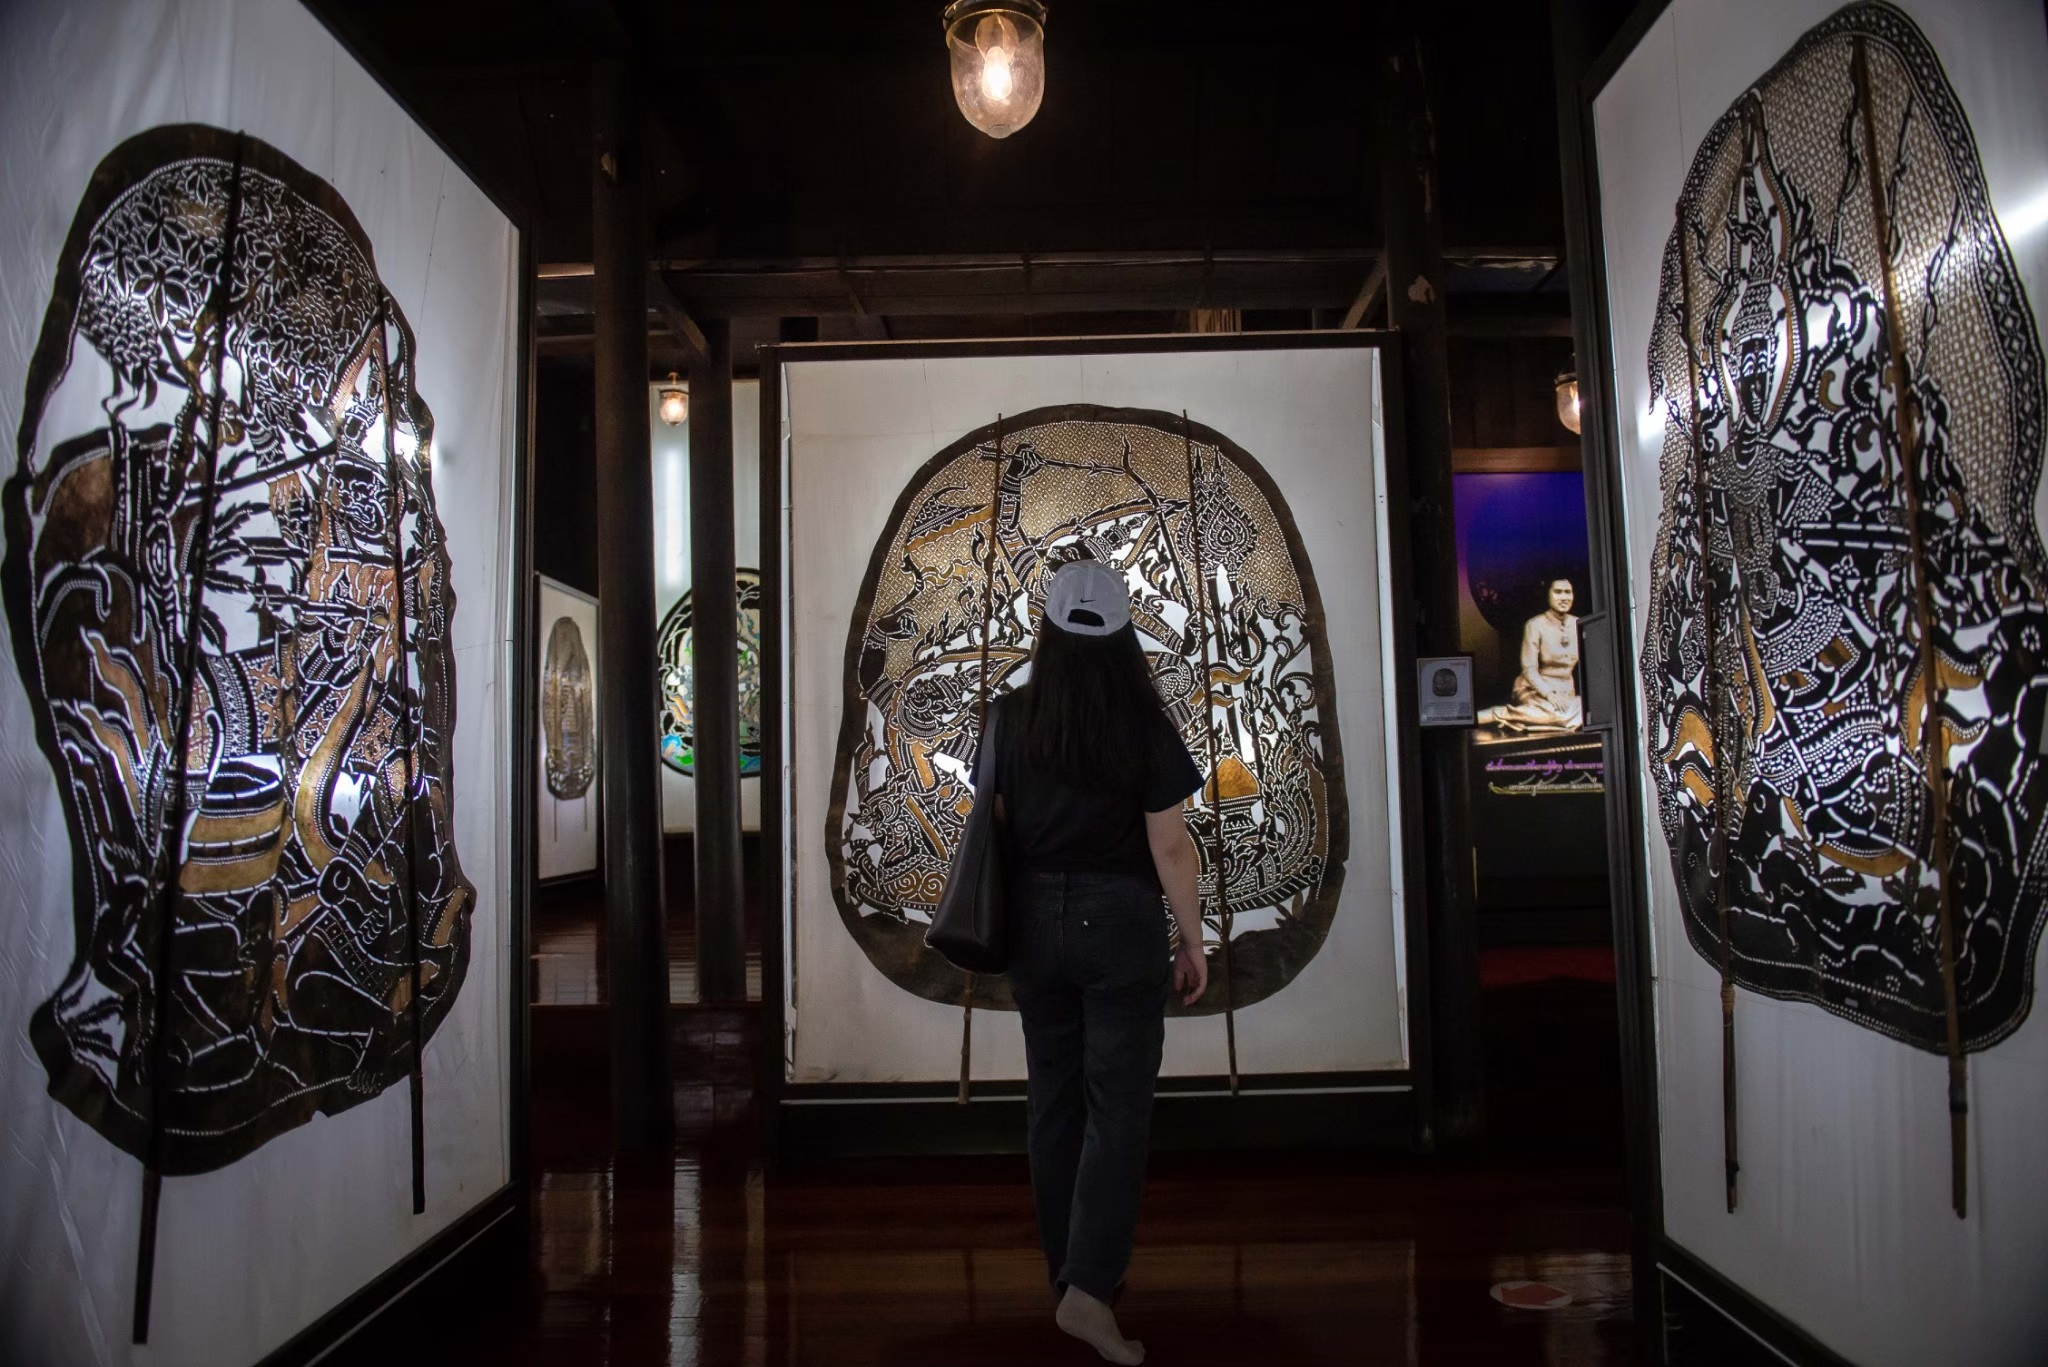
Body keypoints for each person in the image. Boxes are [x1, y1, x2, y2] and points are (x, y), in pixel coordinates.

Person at [970, 558, 1208, 1366]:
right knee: (1117, 1109)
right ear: (1124, 634)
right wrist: (1193, 939)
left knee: (1055, 1103)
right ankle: (1089, 1286)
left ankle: (1069, 1276)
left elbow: (998, 821)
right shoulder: (1143, 722)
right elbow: (1169, 848)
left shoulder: (1010, 717)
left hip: (1034, 922)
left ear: (1047, 630)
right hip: (1119, 924)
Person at [1476, 577, 1583, 732]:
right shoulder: (1535, 625)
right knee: (1560, 715)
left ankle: (1540, 718)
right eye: (1558, 592)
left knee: (1588, 707)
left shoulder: (1578, 623)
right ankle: (1499, 713)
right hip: (1534, 690)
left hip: (1566, 694)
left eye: (1568, 592)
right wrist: (1550, 695)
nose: (1564, 598)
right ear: (1548, 594)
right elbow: (1529, 669)